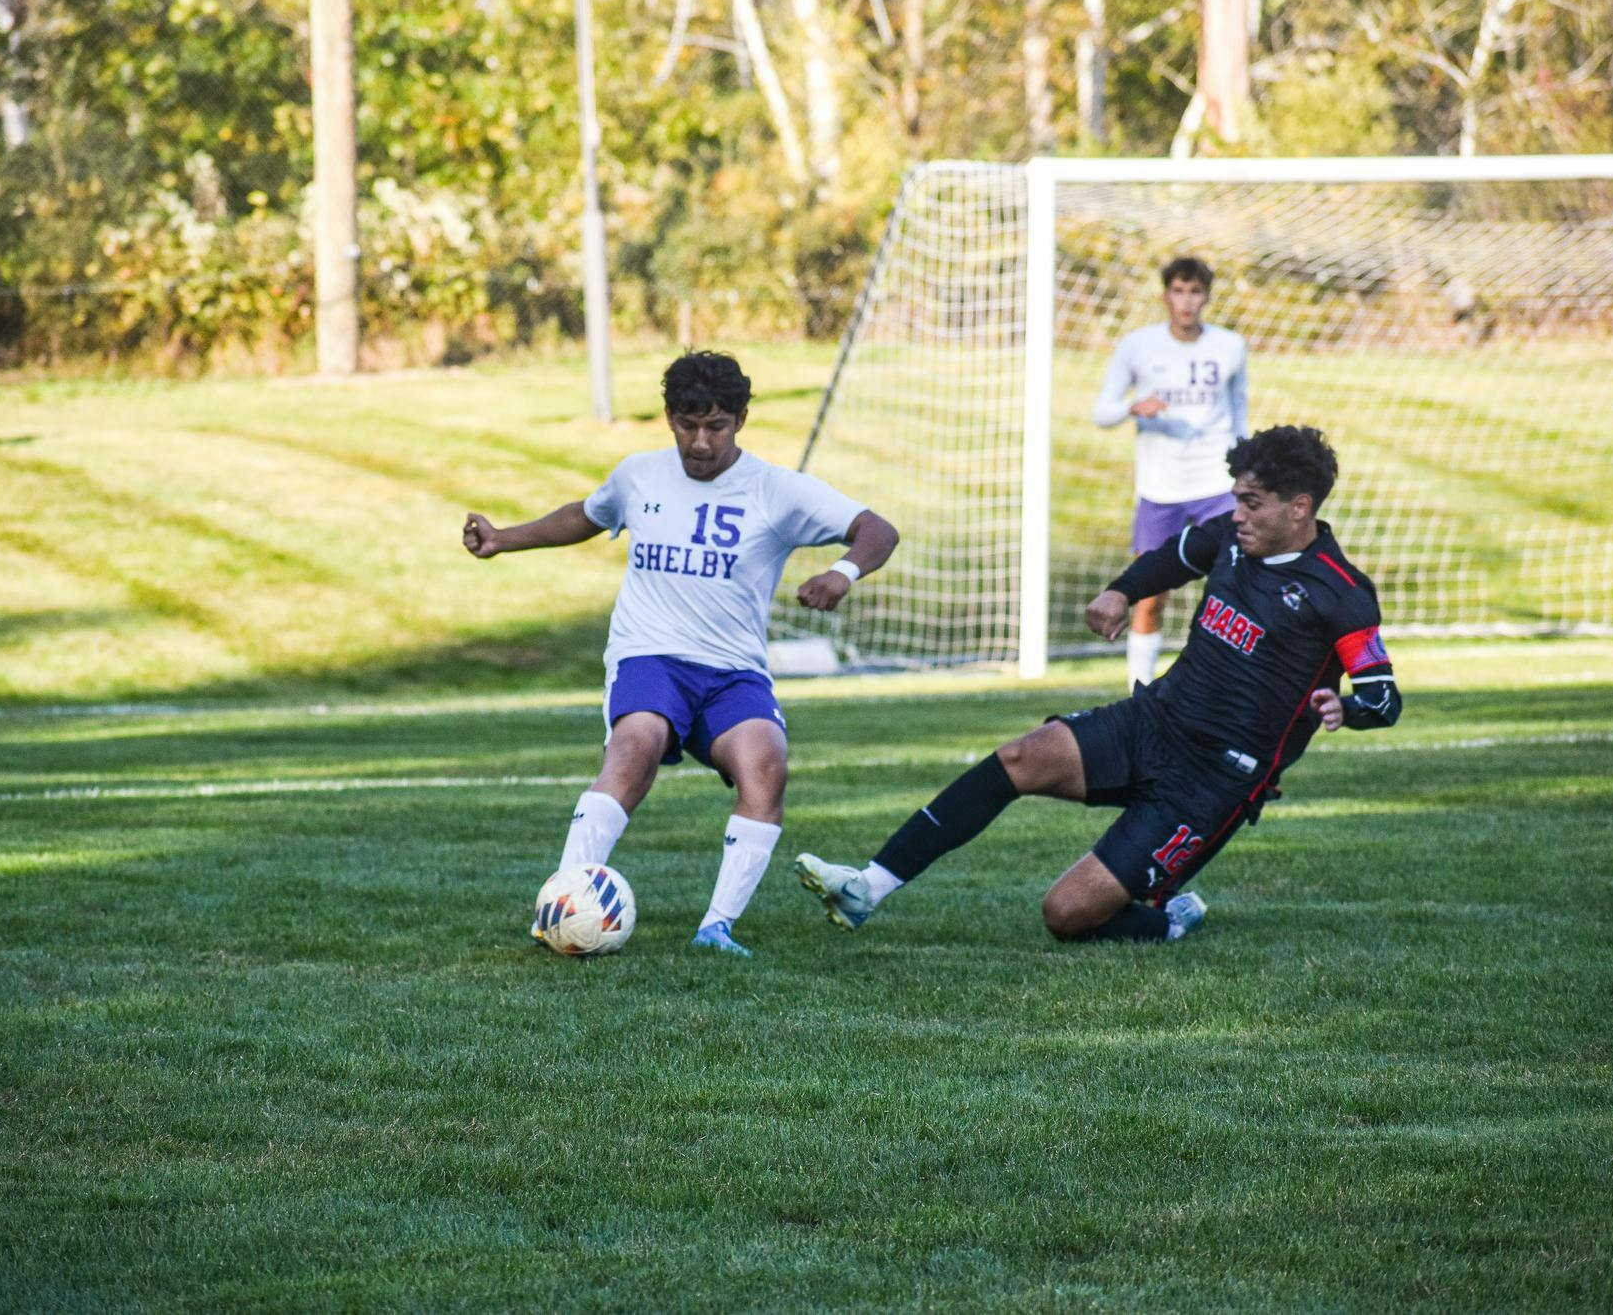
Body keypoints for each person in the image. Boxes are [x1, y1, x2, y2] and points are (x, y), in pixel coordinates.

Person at [794, 425, 1398, 945]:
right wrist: (1121, 592)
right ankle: (867, 888)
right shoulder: (1228, 539)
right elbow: (1173, 557)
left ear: (1299, 507)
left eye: (1253, 502)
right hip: (1156, 720)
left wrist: (1347, 706)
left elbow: (1383, 695)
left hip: (1214, 779)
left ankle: (1168, 922)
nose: (1237, 513)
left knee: (1066, 915)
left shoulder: (1340, 593)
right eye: (1236, 498)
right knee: (1021, 756)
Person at [463, 350, 899, 957]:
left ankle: (715, 929)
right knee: (635, 745)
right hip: (651, 655)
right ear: (669, 417)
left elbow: (878, 529)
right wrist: (503, 539)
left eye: (715, 426)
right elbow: (587, 516)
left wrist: (843, 572)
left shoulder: (777, 490)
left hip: (733, 671)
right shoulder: (639, 475)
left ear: (741, 420)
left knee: (767, 765)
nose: (699, 443)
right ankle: (560, 908)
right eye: (687, 426)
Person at [1094, 256, 1250, 689]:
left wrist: (1246, 469)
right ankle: (1138, 690)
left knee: (1232, 590)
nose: (1187, 301)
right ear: (1165, 295)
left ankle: (1226, 683)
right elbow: (1102, 412)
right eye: (1179, 291)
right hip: (1161, 487)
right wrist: (1131, 407)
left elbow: (1239, 413)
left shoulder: (1230, 346)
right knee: (1148, 593)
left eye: (1195, 291)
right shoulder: (1137, 346)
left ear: (1207, 297)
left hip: (1217, 485)